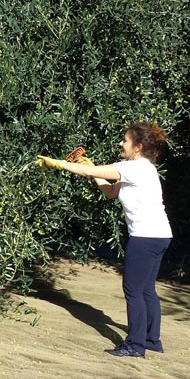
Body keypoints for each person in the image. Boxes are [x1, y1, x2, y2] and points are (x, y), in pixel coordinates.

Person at [37, 122, 172, 358]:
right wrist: (91, 168)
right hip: (160, 236)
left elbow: (90, 173)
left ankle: (135, 345)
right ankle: (152, 340)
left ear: (138, 146)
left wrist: (60, 164)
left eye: (125, 140)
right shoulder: (144, 169)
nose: (121, 143)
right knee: (146, 289)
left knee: (133, 290)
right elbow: (110, 192)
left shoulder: (134, 168)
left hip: (145, 237)